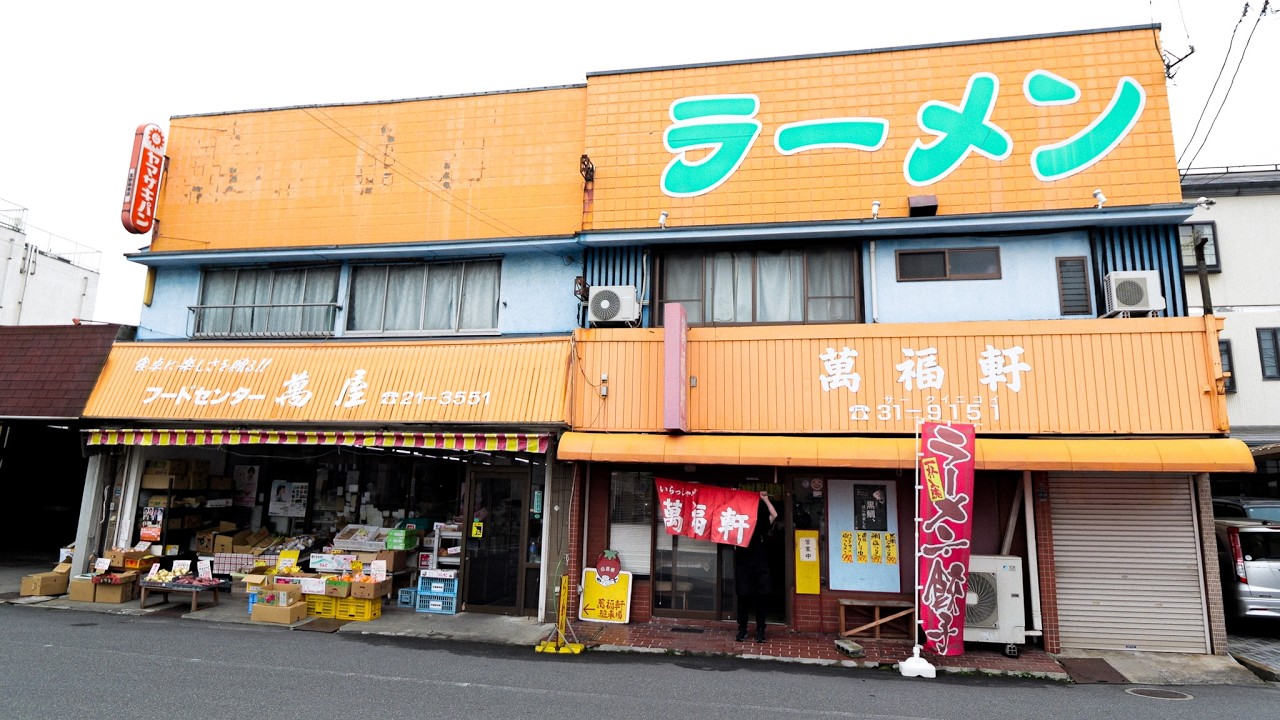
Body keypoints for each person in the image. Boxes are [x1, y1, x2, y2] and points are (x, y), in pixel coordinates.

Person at [734, 490, 778, 643]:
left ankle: (760, 629)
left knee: (762, 597)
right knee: (743, 597)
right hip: (743, 564)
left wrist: (765, 499)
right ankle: (742, 629)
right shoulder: (737, 523)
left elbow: (774, 515)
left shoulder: (760, 523)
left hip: (760, 564)